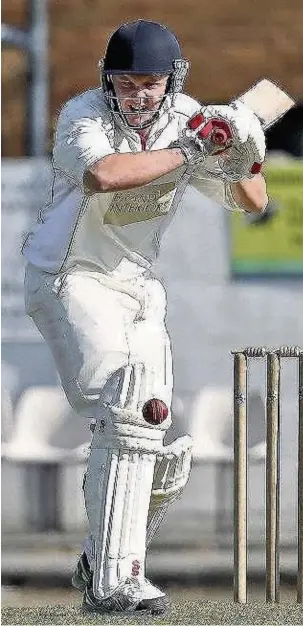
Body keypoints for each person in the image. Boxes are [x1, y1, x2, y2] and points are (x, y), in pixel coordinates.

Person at [23, 19, 268, 614]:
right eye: (125, 83)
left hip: (138, 289)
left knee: (158, 441)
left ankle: (101, 561)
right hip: (69, 276)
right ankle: (114, 586)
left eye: (149, 85)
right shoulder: (82, 116)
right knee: (128, 410)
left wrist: (242, 148)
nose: (136, 96)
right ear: (107, 82)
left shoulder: (187, 117)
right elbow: (104, 175)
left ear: (170, 82)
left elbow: (255, 203)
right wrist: (191, 149)